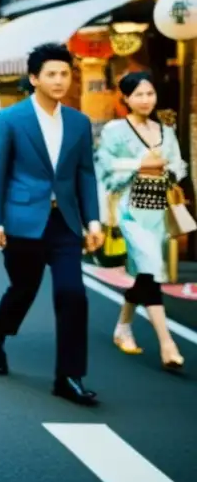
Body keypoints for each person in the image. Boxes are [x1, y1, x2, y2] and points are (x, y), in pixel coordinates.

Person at [0, 43, 104, 405]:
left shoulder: (79, 122)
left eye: (65, 73)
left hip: (64, 222)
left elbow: (85, 174)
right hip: (21, 221)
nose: (59, 80)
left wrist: (93, 221)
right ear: (34, 78)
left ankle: (69, 376)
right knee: (23, 288)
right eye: (51, 73)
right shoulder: (8, 119)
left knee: (72, 294)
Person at [96, 72, 185, 369]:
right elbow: (106, 166)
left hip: (158, 208)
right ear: (126, 98)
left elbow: (178, 165)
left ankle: (123, 326)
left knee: (146, 272)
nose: (145, 100)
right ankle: (167, 343)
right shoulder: (115, 130)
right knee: (150, 266)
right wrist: (140, 164)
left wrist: (167, 169)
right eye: (138, 94)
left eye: (150, 93)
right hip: (130, 208)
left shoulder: (165, 131)